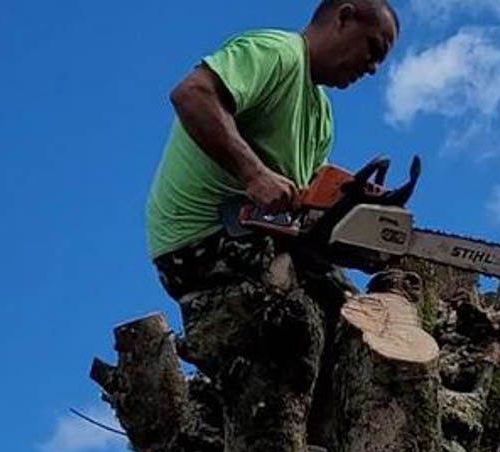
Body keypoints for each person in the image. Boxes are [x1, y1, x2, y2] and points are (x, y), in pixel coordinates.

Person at [145, 0, 400, 305]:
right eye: (372, 49)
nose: (371, 68)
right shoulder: (278, 53)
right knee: (301, 310)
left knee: (345, 303)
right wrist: (254, 175)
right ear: (343, 18)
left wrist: (352, 204)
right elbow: (192, 94)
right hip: (199, 240)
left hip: (253, 235)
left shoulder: (322, 115)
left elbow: (308, 196)